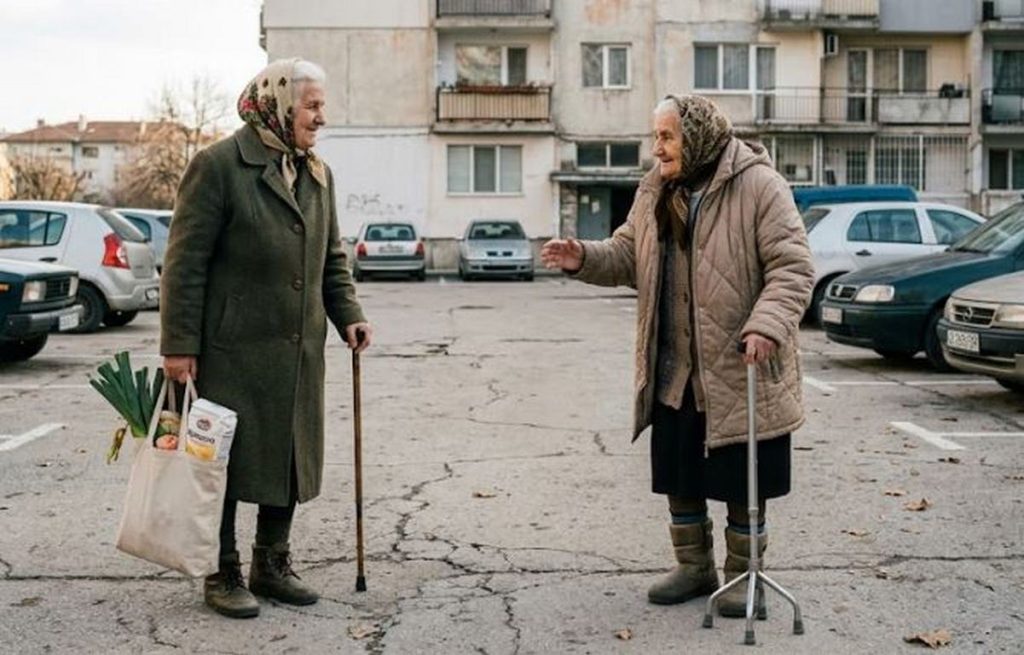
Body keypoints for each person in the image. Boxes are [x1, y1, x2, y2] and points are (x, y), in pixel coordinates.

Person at [541, 95, 813, 617]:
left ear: (698, 135)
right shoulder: (655, 189)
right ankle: (694, 568)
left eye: (667, 136)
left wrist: (767, 324)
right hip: (675, 366)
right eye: (656, 136)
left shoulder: (758, 186)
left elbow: (793, 267)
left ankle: (744, 575)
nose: (657, 147)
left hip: (738, 366)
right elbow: (627, 255)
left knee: (742, 479)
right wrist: (583, 258)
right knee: (680, 472)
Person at [160, 58, 372, 619]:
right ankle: (221, 569)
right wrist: (178, 345)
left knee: (289, 455)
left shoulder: (315, 173)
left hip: (298, 348)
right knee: (222, 461)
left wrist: (347, 311)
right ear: (278, 103)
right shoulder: (219, 166)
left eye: (322, 106)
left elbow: (331, 256)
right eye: (312, 106)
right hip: (232, 349)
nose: (321, 118)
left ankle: (270, 563)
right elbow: (184, 264)